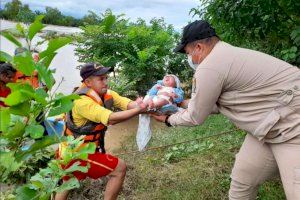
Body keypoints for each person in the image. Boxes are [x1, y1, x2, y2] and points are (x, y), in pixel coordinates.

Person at [151, 20, 300, 200]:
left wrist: (169, 119)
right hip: (270, 127)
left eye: (188, 53)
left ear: (198, 47)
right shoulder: (227, 55)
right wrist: (180, 103)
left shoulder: (210, 67)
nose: (188, 58)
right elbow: (215, 104)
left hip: (292, 127)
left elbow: (195, 117)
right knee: (242, 180)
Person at [55, 63, 147, 200]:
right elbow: (111, 119)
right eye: (101, 79)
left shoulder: (107, 94)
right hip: (77, 153)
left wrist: (143, 104)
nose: (105, 82)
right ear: (88, 82)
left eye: (106, 78)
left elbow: (127, 103)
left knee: (68, 182)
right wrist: (139, 110)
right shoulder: (81, 102)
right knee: (120, 168)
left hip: (69, 151)